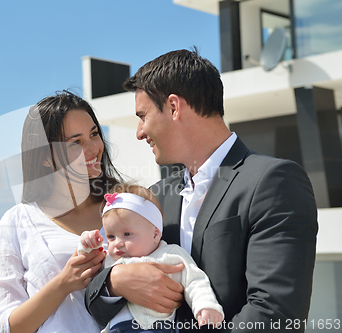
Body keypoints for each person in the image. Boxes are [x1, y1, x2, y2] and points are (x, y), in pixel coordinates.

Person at [85, 49, 318, 332]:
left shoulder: (273, 180)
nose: (139, 132)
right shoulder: (154, 196)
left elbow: (274, 313)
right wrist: (116, 281)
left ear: (173, 107)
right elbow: (94, 298)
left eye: (142, 116)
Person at [0, 91, 124, 333]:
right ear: (45, 158)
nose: (93, 148)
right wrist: (63, 283)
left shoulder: (125, 203)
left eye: (94, 134)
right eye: (76, 142)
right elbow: (0, 327)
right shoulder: (19, 221)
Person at [79, 184, 224, 333]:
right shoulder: (111, 260)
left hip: (155, 327)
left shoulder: (170, 255)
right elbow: (87, 264)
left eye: (127, 234)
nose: (118, 243)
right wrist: (87, 245)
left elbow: (194, 280)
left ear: (155, 235)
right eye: (111, 236)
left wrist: (205, 305)